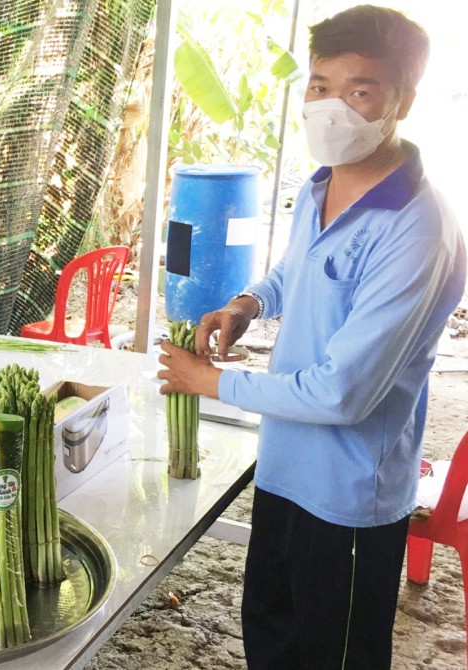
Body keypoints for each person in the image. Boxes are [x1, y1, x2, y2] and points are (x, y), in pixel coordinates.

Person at [158, 6, 466, 669]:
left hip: (349, 497)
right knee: (270, 634)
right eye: (321, 86)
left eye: (361, 91)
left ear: (402, 102)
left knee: (332, 656)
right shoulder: (321, 186)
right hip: (286, 468)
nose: (332, 108)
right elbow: (299, 267)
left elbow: (341, 396)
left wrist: (207, 381)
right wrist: (247, 303)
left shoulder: (416, 229)